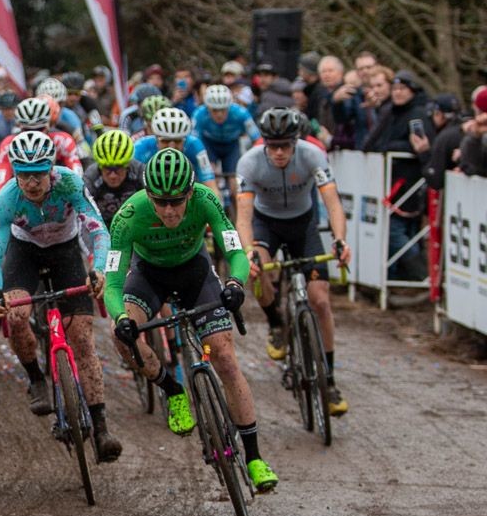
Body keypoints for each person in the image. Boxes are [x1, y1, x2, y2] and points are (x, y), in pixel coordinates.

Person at [105, 148, 278, 492]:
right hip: (148, 275)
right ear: (148, 196)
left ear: (189, 193)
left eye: (176, 202)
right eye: (160, 202)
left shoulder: (206, 200)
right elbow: (112, 282)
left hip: (195, 273)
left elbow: (234, 252)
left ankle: (255, 458)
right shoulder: (128, 216)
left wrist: (235, 283)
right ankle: (173, 390)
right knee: (121, 336)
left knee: (225, 358)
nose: (169, 210)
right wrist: (122, 316)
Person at [0, 132, 122, 460]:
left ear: (51, 170)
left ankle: (101, 428)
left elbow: (97, 229)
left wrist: (99, 268)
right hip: (25, 252)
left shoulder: (71, 184)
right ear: (15, 172)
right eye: (24, 175)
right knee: (17, 316)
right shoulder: (5, 199)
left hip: (65, 251)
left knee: (83, 339)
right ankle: (36, 377)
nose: (31, 183)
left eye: (38, 174)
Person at [235, 108, 352, 415]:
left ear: (295, 142)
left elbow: (333, 203)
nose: (279, 152)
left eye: (285, 145)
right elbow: (244, 218)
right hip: (266, 225)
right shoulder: (249, 163)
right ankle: (275, 322)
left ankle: (329, 380)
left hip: (303, 225)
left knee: (321, 301)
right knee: (257, 267)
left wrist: (340, 239)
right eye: (272, 146)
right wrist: (248, 252)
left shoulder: (312, 155)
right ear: (264, 144)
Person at [362, 69, 429, 281]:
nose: (398, 93)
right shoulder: (390, 112)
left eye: (403, 89)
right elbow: (372, 141)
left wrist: (390, 147)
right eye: (396, 89)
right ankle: (399, 275)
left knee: (396, 231)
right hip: (390, 179)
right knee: (397, 230)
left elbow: (421, 144)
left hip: (408, 182)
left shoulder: (418, 113)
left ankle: (420, 275)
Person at [191, 84, 260, 204]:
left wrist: (255, 159)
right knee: (211, 179)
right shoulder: (199, 114)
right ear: (207, 107)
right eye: (215, 110)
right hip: (209, 145)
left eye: (223, 109)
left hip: (231, 146)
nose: (219, 114)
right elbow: (193, 141)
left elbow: (257, 139)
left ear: (229, 106)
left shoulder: (240, 113)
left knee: (235, 185)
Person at [132, 107, 219, 195]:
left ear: (184, 139)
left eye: (177, 141)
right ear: (156, 139)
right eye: (165, 141)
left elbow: (209, 182)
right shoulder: (140, 147)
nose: (171, 146)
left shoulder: (194, 144)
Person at [84, 129, 144, 226]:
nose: (113, 175)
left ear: (127, 165)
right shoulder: (91, 177)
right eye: (107, 169)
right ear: (99, 166)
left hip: (135, 225)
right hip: (102, 227)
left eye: (118, 168)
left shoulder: (138, 171)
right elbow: (84, 213)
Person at [415, 94, 463, 191]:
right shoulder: (466, 130)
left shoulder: (444, 137)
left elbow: (435, 179)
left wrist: (424, 152)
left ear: (439, 114)